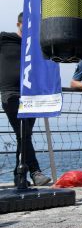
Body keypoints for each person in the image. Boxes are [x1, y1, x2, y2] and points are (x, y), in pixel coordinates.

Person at [0, 13, 49, 186]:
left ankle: (19, 176)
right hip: (10, 93)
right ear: (18, 24)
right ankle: (35, 171)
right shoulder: (5, 38)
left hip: (32, 95)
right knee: (23, 132)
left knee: (24, 135)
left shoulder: (36, 45)